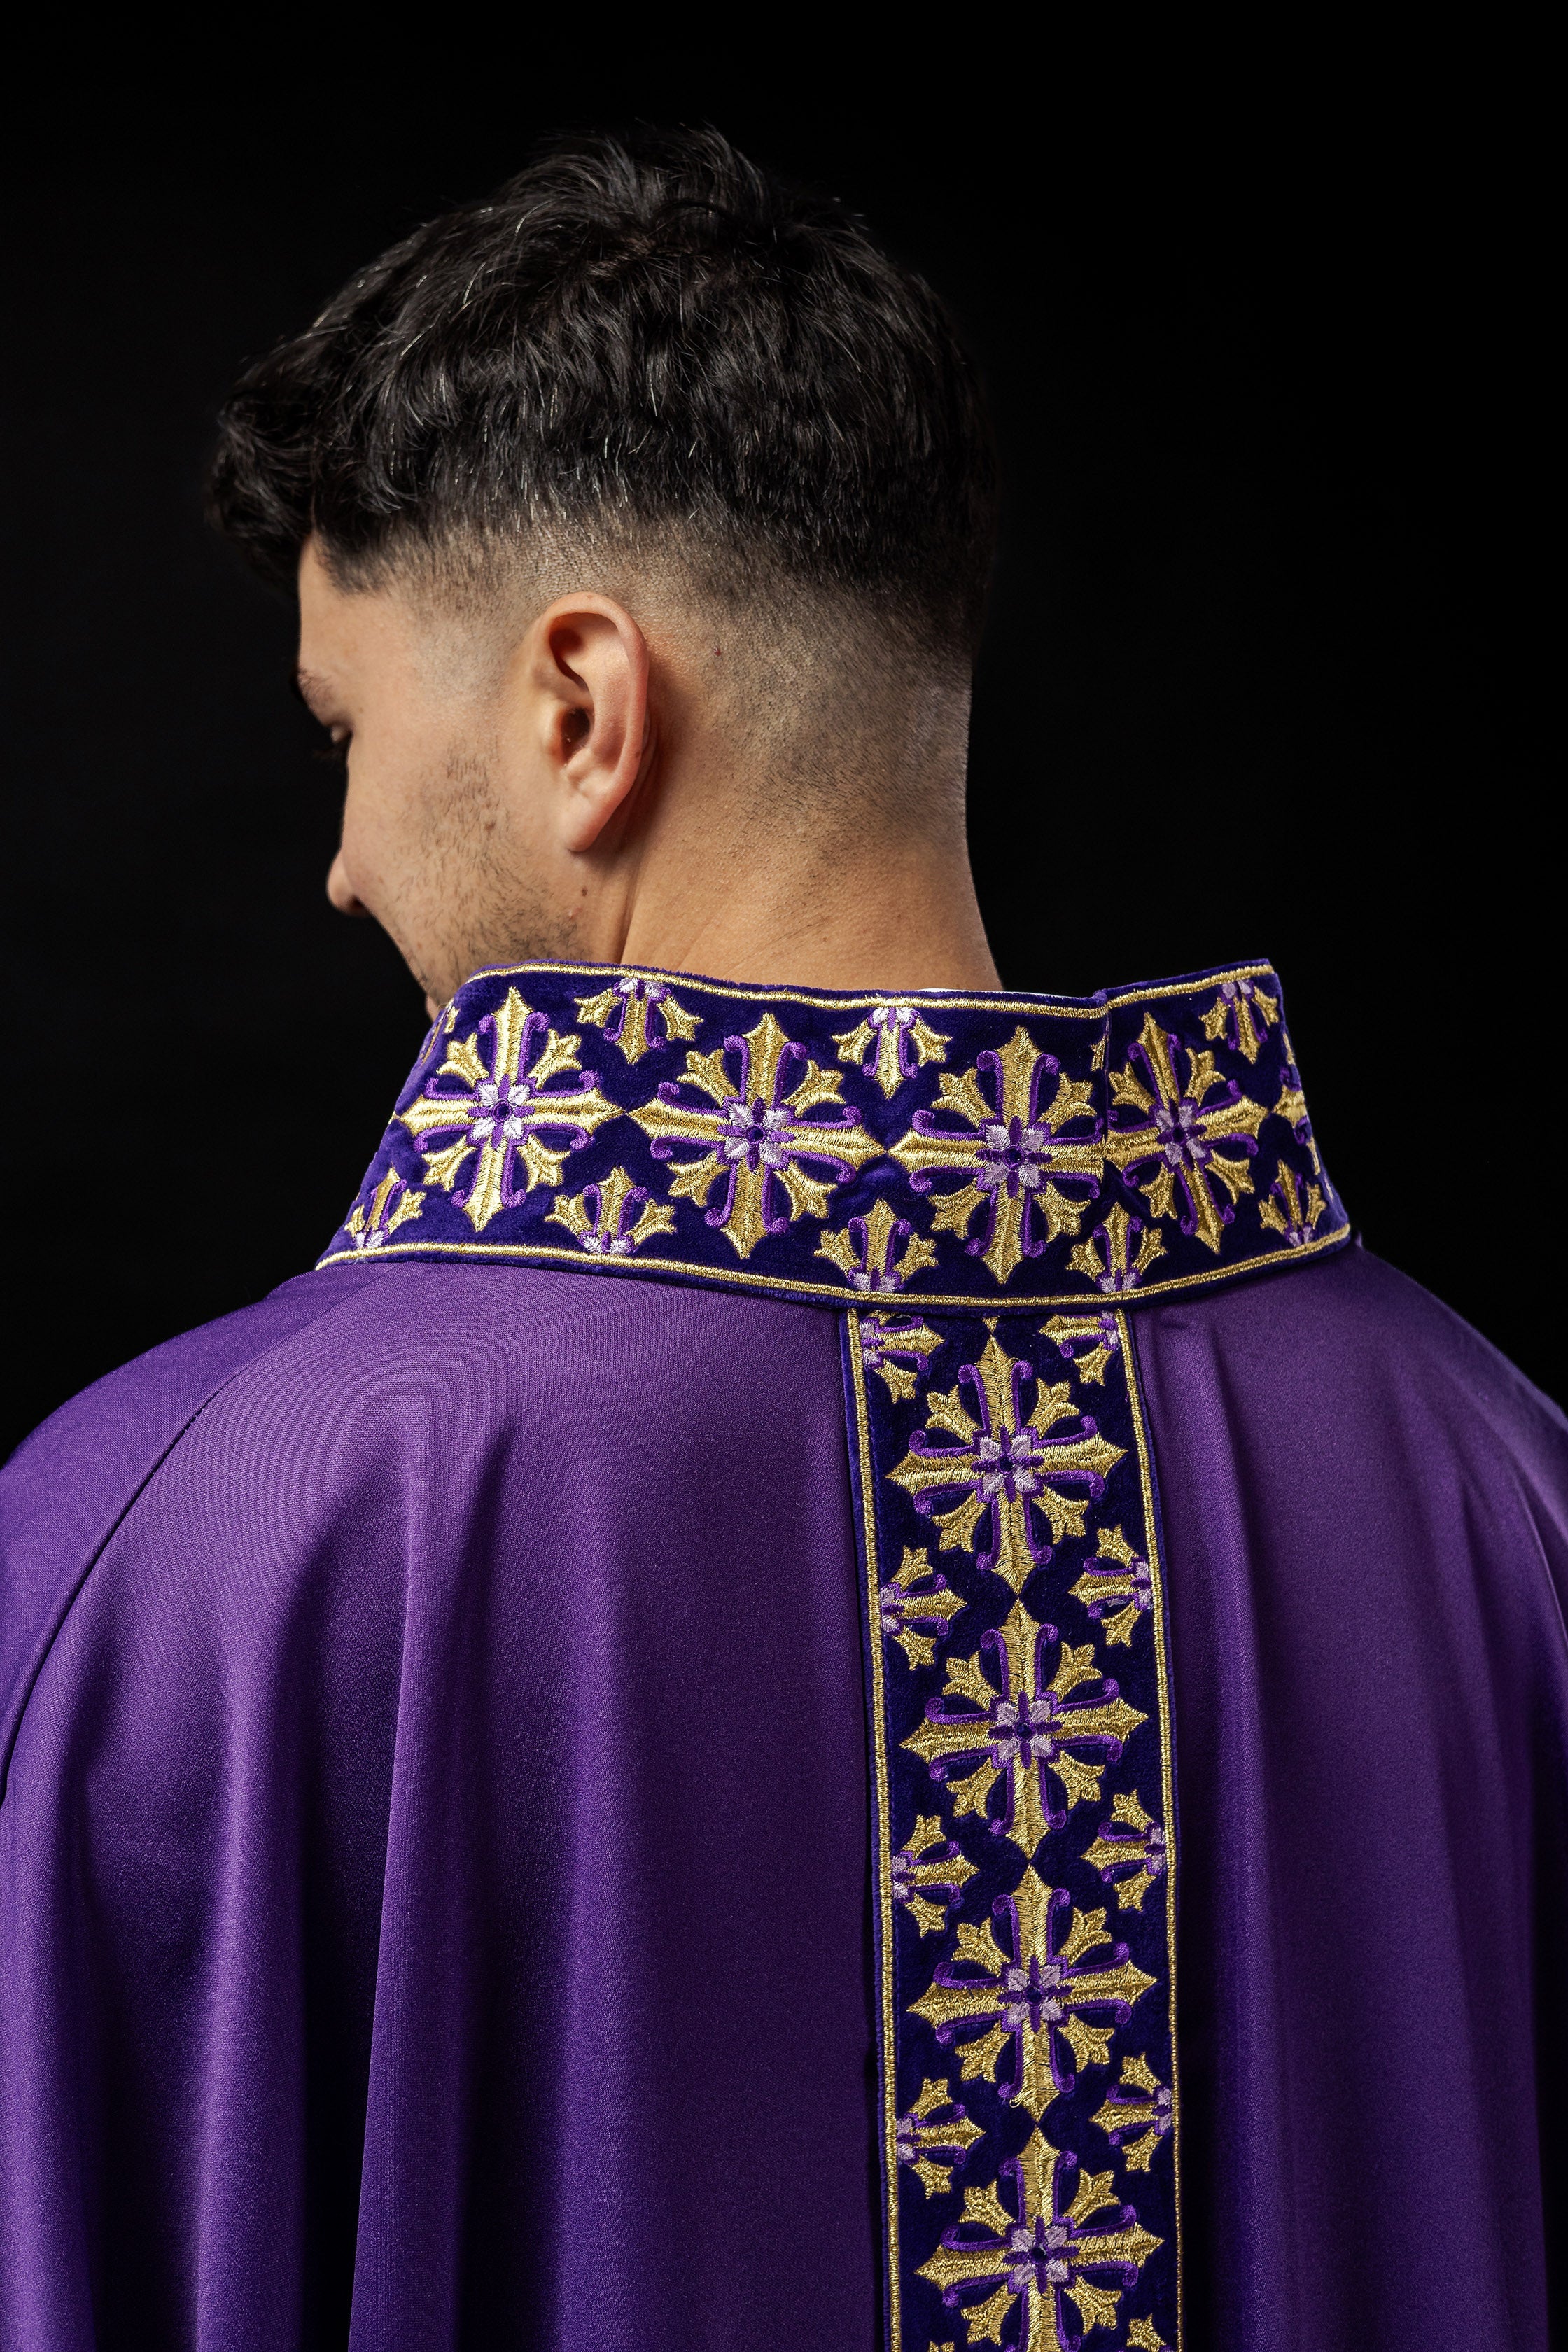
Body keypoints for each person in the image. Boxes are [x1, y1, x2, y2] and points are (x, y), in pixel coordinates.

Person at [1, 125, 1564, 2352]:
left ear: (579, 710)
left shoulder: (160, 1576)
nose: (339, 866)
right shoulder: (1510, 1502)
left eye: (341, 735)